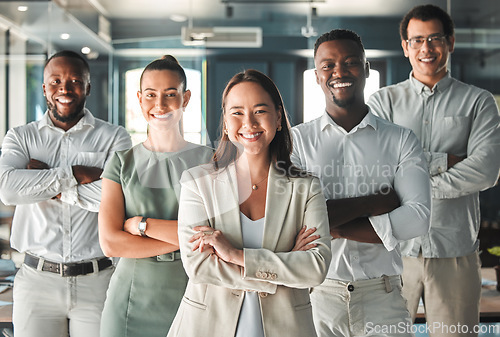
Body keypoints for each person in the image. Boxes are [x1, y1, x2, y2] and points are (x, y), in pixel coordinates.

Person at [167, 69, 332, 337]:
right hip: (205, 327)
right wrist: (285, 264)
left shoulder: (306, 188)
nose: (249, 123)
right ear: (225, 123)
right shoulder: (197, 183)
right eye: (237, 112)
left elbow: (315, 269)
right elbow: (199, 266)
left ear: (278, 118)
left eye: (260, 111)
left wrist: (235, 255)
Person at [367, 5, 500, 336]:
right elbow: (378, 167)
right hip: (393, 252)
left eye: (435, 38)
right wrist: (448, 160)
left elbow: (486, 170)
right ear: (405, 47)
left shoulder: (478, 102)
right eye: (417, 40)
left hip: (454, 251)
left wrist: (411, 180)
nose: (426, 48)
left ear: (450, 42)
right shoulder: (383, 102)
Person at [291, 29, 431, 337]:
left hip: (384, 298)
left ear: (366, 69)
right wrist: (373, 203)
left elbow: (417, 219)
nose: (339, 72)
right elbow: (293, 220)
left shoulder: (401, 140)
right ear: (316, 76)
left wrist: (331, 227)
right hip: (317, 298)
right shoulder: (296, 142)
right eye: (328, 65)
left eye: (350, 62)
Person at [0, 50, 132, 337]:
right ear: (45, 86)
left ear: (87, 87)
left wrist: (45, 183)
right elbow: (9, 190)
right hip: (37, 280)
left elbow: (116, 199)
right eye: (56, 80)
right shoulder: (21, 137)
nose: (65, 88)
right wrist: (75, 174)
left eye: (74, 80)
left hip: (98, 280)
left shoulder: (115, 137)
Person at [98, 55, 213, 337]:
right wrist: (187, 241)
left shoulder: (210, 160)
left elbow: (220, 235)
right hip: (130, 302)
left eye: (170, 94)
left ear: (185, 99)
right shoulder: (120, 162)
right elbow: (111, 243)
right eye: (150, 95)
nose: (159, 105)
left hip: (195, 296)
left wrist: (142, 226)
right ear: (139, 99)